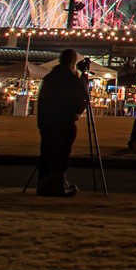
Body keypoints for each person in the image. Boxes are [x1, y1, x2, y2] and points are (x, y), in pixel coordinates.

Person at [36, 48, 88, 197]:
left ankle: (44, 185)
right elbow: (82, 99)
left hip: (47, 122)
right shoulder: (72, 79)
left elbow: (42, 100)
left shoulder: (50, 77)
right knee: (61, 154)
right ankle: (56, 186)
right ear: (73, 62)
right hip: (65, 121)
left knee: (47, 153)